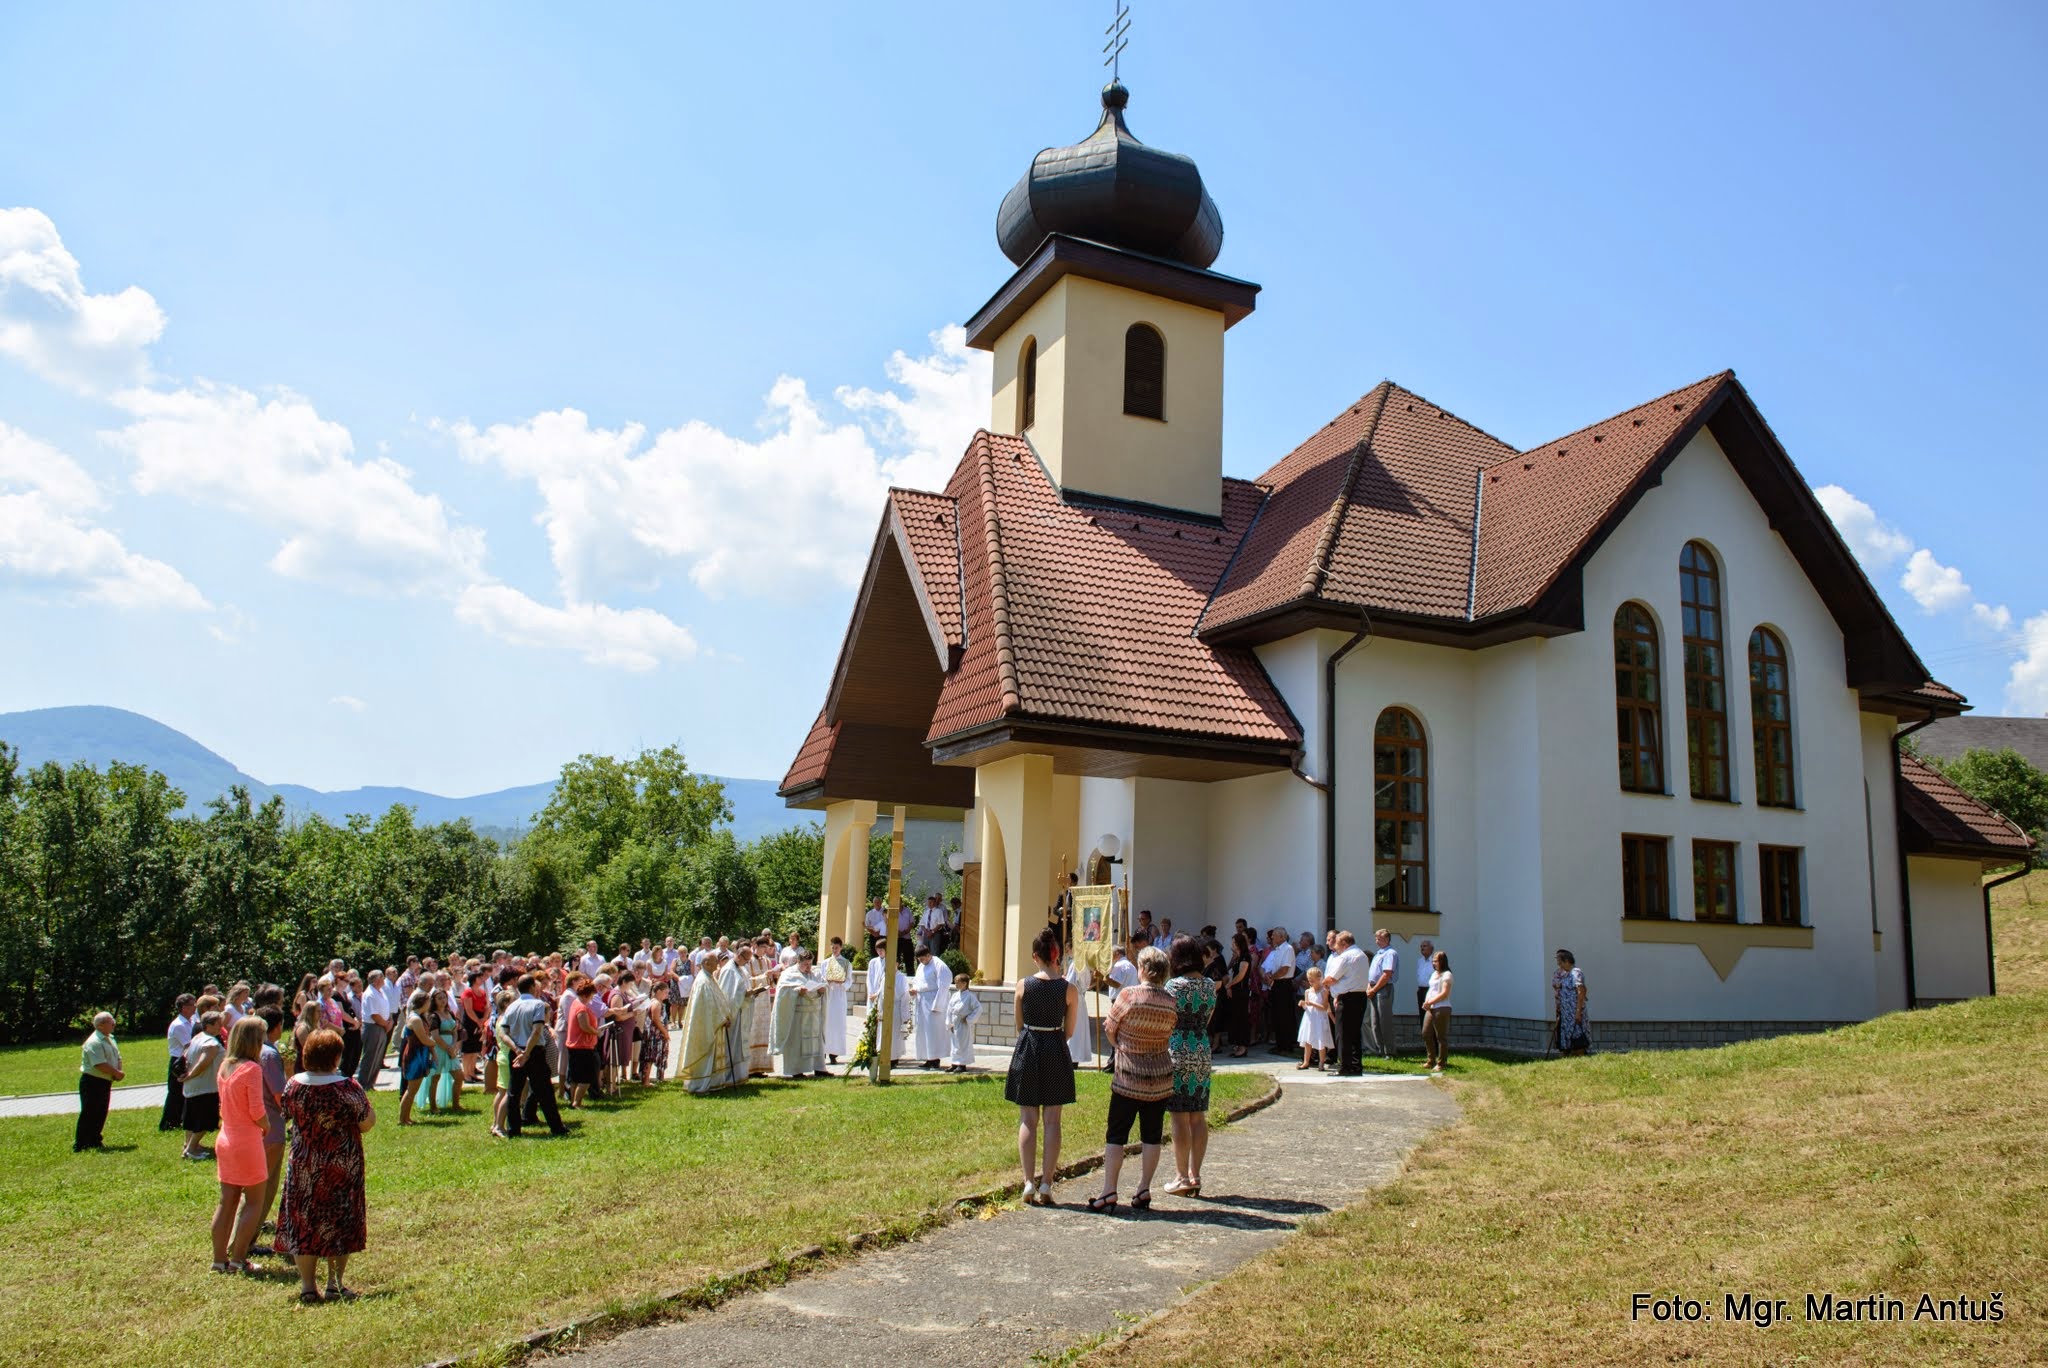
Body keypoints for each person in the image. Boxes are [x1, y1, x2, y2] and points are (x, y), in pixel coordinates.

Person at [277, 1028, 374, 1303]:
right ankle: (334, 1284)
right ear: (335, 1057)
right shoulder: (347, 1087)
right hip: (340, 1166)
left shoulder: (294, 1085)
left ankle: (308, 1287)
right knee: (340, 1221)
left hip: (304, 1165)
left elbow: (286, 1113)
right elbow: (367, 1122)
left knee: (303, 1222)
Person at [1089, 946, 1176, 1213]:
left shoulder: (1128, 995)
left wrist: (1121, 1045)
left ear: (1144, 969)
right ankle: (1143, 1188)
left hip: (1128, 1075)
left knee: (1116, 1134)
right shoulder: (1171, 1001)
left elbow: (1110, 1028)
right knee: (1152, 1135)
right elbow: (1170, 1031)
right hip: (1159, 1076)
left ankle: (1109, 1190)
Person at [1006, 929, 1079, 1207]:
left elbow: (1019, 1024)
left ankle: (1028, 1181)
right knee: (1052, 1120)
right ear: (1056, 956)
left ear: (1035, 956)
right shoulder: (1068, 989)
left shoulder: (1022, 985)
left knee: (1028, 1119)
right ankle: (1047, 1182)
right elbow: (1069, 1030)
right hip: (1054, 1047)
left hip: (1029, 1045)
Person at [211, 1016, 271, 1274]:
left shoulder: (225, 1065)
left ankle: (218, 1260)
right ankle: (238, 1259)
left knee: (227, 1202)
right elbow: (257, 1110)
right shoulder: (252, 1069)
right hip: (247, 1140)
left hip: (226, 1138)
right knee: (255, 1201)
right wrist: (267, 1126)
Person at [1163, 937, 1217, 1198]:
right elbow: (1208, 1017)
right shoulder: (1209, 985)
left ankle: (1181, 1176)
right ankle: (1195, 1174)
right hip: (1201, 1048)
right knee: (1197, 1114)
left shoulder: (1174, 985)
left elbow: (1167, 1017)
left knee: (1179, 1115)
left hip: (1178, 1048)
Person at [501, 975, 568, 1137]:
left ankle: (513, 1130)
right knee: (545, 1091)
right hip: (534, 1051)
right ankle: (557, 1127)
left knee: (514, 1091)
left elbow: (503, 1033)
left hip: (516, 1051)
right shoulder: (538, 1004)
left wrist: (517, 1050)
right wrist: (527, 1053)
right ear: (532, 987)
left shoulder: (512, 1006)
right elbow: (537, 1030)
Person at [250, 1007, 290, 1253]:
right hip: (272, 1127)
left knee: (255, 1189)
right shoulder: (269, 1054)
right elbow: (279, 1094)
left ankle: (244, 1239)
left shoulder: (251, 1051)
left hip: (257, 1127)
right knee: (264, 1189)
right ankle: (246, 1241)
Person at [676, 950, 739, 1093]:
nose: (717, 964)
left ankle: (714, 1083)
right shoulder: (703, 982)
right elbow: (707, 1007)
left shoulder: (709, 978)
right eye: (715, 962)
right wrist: (722, 1019)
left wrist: (725, 1015)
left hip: (714, 1025)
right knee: (706, 1056)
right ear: (706, 963)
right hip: (706, 1026)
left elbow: (717, 1000)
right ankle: (700, 1085)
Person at [771, 949, 828, 1078]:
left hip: (814, 1014)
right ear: (798, 961)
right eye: (805, 964)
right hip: (797, 1016)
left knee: (816, 1042)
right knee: (797, 1043)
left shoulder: (816, 973)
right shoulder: (788, 974)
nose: (808, 967)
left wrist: (823, 990)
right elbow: (782, 993)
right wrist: (796, 991)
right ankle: (796, 1070)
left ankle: (818, 1067)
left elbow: (824, 986)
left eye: (810, 964)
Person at [75, 1012, 123, 1152]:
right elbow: (99, 1064)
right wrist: (116, 1073)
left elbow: (117, 1056)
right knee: (89, 1112)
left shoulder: (110, 1038)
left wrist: (118, 1070)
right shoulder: (94, 1042)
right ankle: (81, 1143)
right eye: (110, 1021)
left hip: (105, 1080)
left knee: (101, 1112)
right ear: (100, 1025)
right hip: (92, 1081)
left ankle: (95, 1140)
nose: (113, 1023)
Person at [182, 1010, 226, 1160]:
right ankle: (191, 1150)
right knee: (206, 1120)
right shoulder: (211, 1043)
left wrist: (187, 1076)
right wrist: (190, 1075)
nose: (221, 1027)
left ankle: (188, 1144)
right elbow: (203, 1063)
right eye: (218, 1024)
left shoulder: (197, 1037)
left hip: (193, 1086)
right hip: (206, 1087)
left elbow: (185, 1054)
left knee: (191, 1118)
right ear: (208, 1025)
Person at [1325, 931, 1368, 1076]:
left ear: (1344, 943)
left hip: (1347, 998)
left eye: (1337, 943)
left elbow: (1332, 978)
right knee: (1355, 1033)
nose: (1335, 947)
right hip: (1360, 997)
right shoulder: (1361, 955)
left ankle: (1345, 1067)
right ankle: (1356, 1066)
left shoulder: (1345, 956)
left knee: (1342, 1033)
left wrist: (1322, 984)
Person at [865, 945, 909, 1067]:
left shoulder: (901, 978)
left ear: (897, 964)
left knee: (894, 1034)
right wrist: (877, 996)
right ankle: (884, 1054)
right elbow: (881, 990)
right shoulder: (885, 976)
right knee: (883, 1032)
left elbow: (905, 996)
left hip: (895, 1009)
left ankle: (893, 1058)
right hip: (883, 1009)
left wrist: (905, 1015)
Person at [396, 990, 436, 1125]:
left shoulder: (419, 1017)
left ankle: (406, 1117)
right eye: (429, 1001)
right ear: (423, 1003)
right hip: (415, 1056)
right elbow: (424, 1039)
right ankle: (402, 1119)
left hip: (420, 1054)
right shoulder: (415, 1019)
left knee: (413, 1089)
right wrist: (434, 1043)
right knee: (411, 1089)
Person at [159, 994, 196, 1133]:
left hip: (186, 1058)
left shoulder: (190, 1021)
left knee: (182, 1093)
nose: (195, 1007)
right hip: (178, 1061)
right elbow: (189, 1044)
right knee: (175, 1093)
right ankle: (168, 1123)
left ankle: (178, 1119)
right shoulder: (179, 1025)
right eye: (192, 1004)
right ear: (184, 1007)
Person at [909, 945, 949, 1069]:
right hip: (922, 1001)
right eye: (919, 960)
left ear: (928, 955)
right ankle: (927, 1057)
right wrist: (914, 989)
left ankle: (935, 1059)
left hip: (933, 1002)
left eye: (922, 959)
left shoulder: (939, 965)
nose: (921, 962)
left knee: (933, 1032)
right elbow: (917, 981)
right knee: (923, 1031)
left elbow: (944, 986)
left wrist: (938, 1005)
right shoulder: (921, 966)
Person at [562, 980, 601, 1107]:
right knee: (586, 1077)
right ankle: (577, 1102)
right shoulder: (581, 1008)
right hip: (583, 1046)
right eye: (591, 996)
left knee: (576, 1077)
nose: (591, 999)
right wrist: (596, 1031)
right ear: (585, 995)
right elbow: (584, 1026)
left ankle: (573, 1101)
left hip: (575, 1045)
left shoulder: (575, 1003)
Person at [1365, 929, 1399, 1060]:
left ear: (1387, 939)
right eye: (1376, 938)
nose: (1376, 941)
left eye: (1379, 939)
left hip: (1383, 988)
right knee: (1375, 1021)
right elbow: (1372, 974)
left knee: (1385, 1021)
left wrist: (1374, 989)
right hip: (1374, 987)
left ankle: (1389, 1051)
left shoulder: (1390, 953)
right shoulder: (1379, 954)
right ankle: (1380, 1049)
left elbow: (1386, 974)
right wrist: (1369, 987)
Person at [1263, 928, 1298, 1053]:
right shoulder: (1277, 949)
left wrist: (1272, 977)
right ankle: (1279, 1044)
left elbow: (1284, 969)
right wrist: (1269, 975)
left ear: (1282, 937)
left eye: (1274, 935)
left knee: (1284, 1015)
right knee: (1277, 1015)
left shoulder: (1287, 949)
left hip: (1284, 984)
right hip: (1277, 984)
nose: (1272, 938)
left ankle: (1286, 1045)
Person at [357, 968, 392, 1090]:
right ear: (376, 980)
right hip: (373, 1027)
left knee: (377, 1057)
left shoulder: (380, 991)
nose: (383, 980)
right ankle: (363, 1084)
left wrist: (389, 1021)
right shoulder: (370, 994)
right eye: (382, 977)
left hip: (381, 1026)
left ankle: (371, 1083)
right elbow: (374, 1015)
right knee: (370, 1057)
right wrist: (386, 1024)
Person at [820, 937, 851, 1064]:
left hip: (838, 995)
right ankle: (823, 1051)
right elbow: (821, 978)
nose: (834, 950)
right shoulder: (825, 963)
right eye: (832, 948)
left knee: (837, 1024)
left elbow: (849, 981)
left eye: (836, 948)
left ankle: (834, 1053)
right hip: (828, 994)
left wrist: (841, 984)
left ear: (841, 948)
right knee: (826, 1023)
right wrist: (827, 981)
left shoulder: (846, 963)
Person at [1296, 967, 1334, 1070]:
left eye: (1312, 980)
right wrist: (1303, 1004)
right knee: (1308, 1040)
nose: (1310, 983)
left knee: (1320, 1039)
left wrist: (1312, 1004)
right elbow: (1307, 1007)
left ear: (1319, 979)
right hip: (1309, 1018)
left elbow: (1325, 1007)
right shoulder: (1307, 992)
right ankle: (1306, 1062)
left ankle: (1321, 1062)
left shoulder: (1323, 991)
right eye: (1309, 980)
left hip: (1320, 1018)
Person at [1554, 949, 1590, 1055]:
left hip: (1574, 1014)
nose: (1559, 966)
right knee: (1569, 1041)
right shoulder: (1566, 974)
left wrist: (1578, 1012)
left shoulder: (1576, 972)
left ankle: (1581, 1058)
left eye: (1560, 963)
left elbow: (1581, 991)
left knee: (1578, 1040)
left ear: (1567, 961)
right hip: (1567, 1015)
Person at [1422, 951, 1453, 1073]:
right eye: (1433, 961)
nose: (1433, 963)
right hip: (1431, 1008)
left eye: (1436, 961)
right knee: (1426, 1033)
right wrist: (1427, 1002)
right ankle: (1431, 1060)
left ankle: (1441, 1063)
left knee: (1441, 1036)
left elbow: (1445, 993)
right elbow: (1432, 990)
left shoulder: (1447, 974)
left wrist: (1430, 1001)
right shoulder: (1434, 974)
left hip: (1442, 1008)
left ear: (1442, 961)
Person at [1223, 932, 1254, 1057]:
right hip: (1235, 991)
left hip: (1242, 991)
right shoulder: (1237, 957)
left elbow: (1241, 975)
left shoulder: (1245, 957)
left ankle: (1243, 1046)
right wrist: (1230, 987)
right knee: (1235, 1018)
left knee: (1241, 1018)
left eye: (1234, 943)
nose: (1232, 945)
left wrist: (1229, 985)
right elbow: (1233, 974)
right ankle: (1237, 1044)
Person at [946, 977, 981, 1072]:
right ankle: (954, 1063)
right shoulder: (955, 995)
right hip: (955, 1022)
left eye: (958, 983)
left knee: (962, 1044)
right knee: (954, 1043)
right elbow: (949, 1009)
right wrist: (950, 1023)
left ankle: (962, 1064)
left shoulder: (970, 996)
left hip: (963, 1023)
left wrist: (969, 1018)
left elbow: (978, 1008)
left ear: (965, 983)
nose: (956, 985)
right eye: (955, 983)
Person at [1066, 957, 1096, 1068]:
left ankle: (1072, 1057)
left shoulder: (1077, 964)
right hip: (1080, 998)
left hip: (1075, 997)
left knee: (1074, 1028)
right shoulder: (1084, 965)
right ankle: (1074, 1056)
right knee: (1078, 1029)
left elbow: (1070, 983)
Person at [1414, 939, 1436, 1021]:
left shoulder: (1435, 961)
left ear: (1431, 948)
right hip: (1421, 990)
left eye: (1424, 946)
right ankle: (1423, 1029)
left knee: (1431, 1015)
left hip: (1431, 991)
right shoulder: (1420, 961)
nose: (1422, 948)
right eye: (1421, 946)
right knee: (1422, 1015)